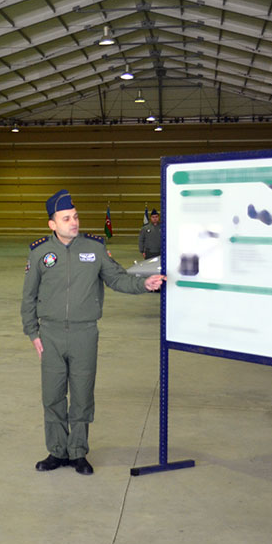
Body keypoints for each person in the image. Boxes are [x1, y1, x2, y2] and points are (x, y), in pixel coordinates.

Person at [21, 190, 164, 475]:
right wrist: (33, 333)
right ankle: (57, 451)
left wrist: (144, 284)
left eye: (75, 216)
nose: (74, 222)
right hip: (50, 334)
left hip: (84, 334)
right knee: (52, 395)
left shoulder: (95, 248)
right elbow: (29, 296)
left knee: (82, 394)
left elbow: (117, 279)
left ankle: (77, 452)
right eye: (66, 218)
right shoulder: (39, 252)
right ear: (52, 224)